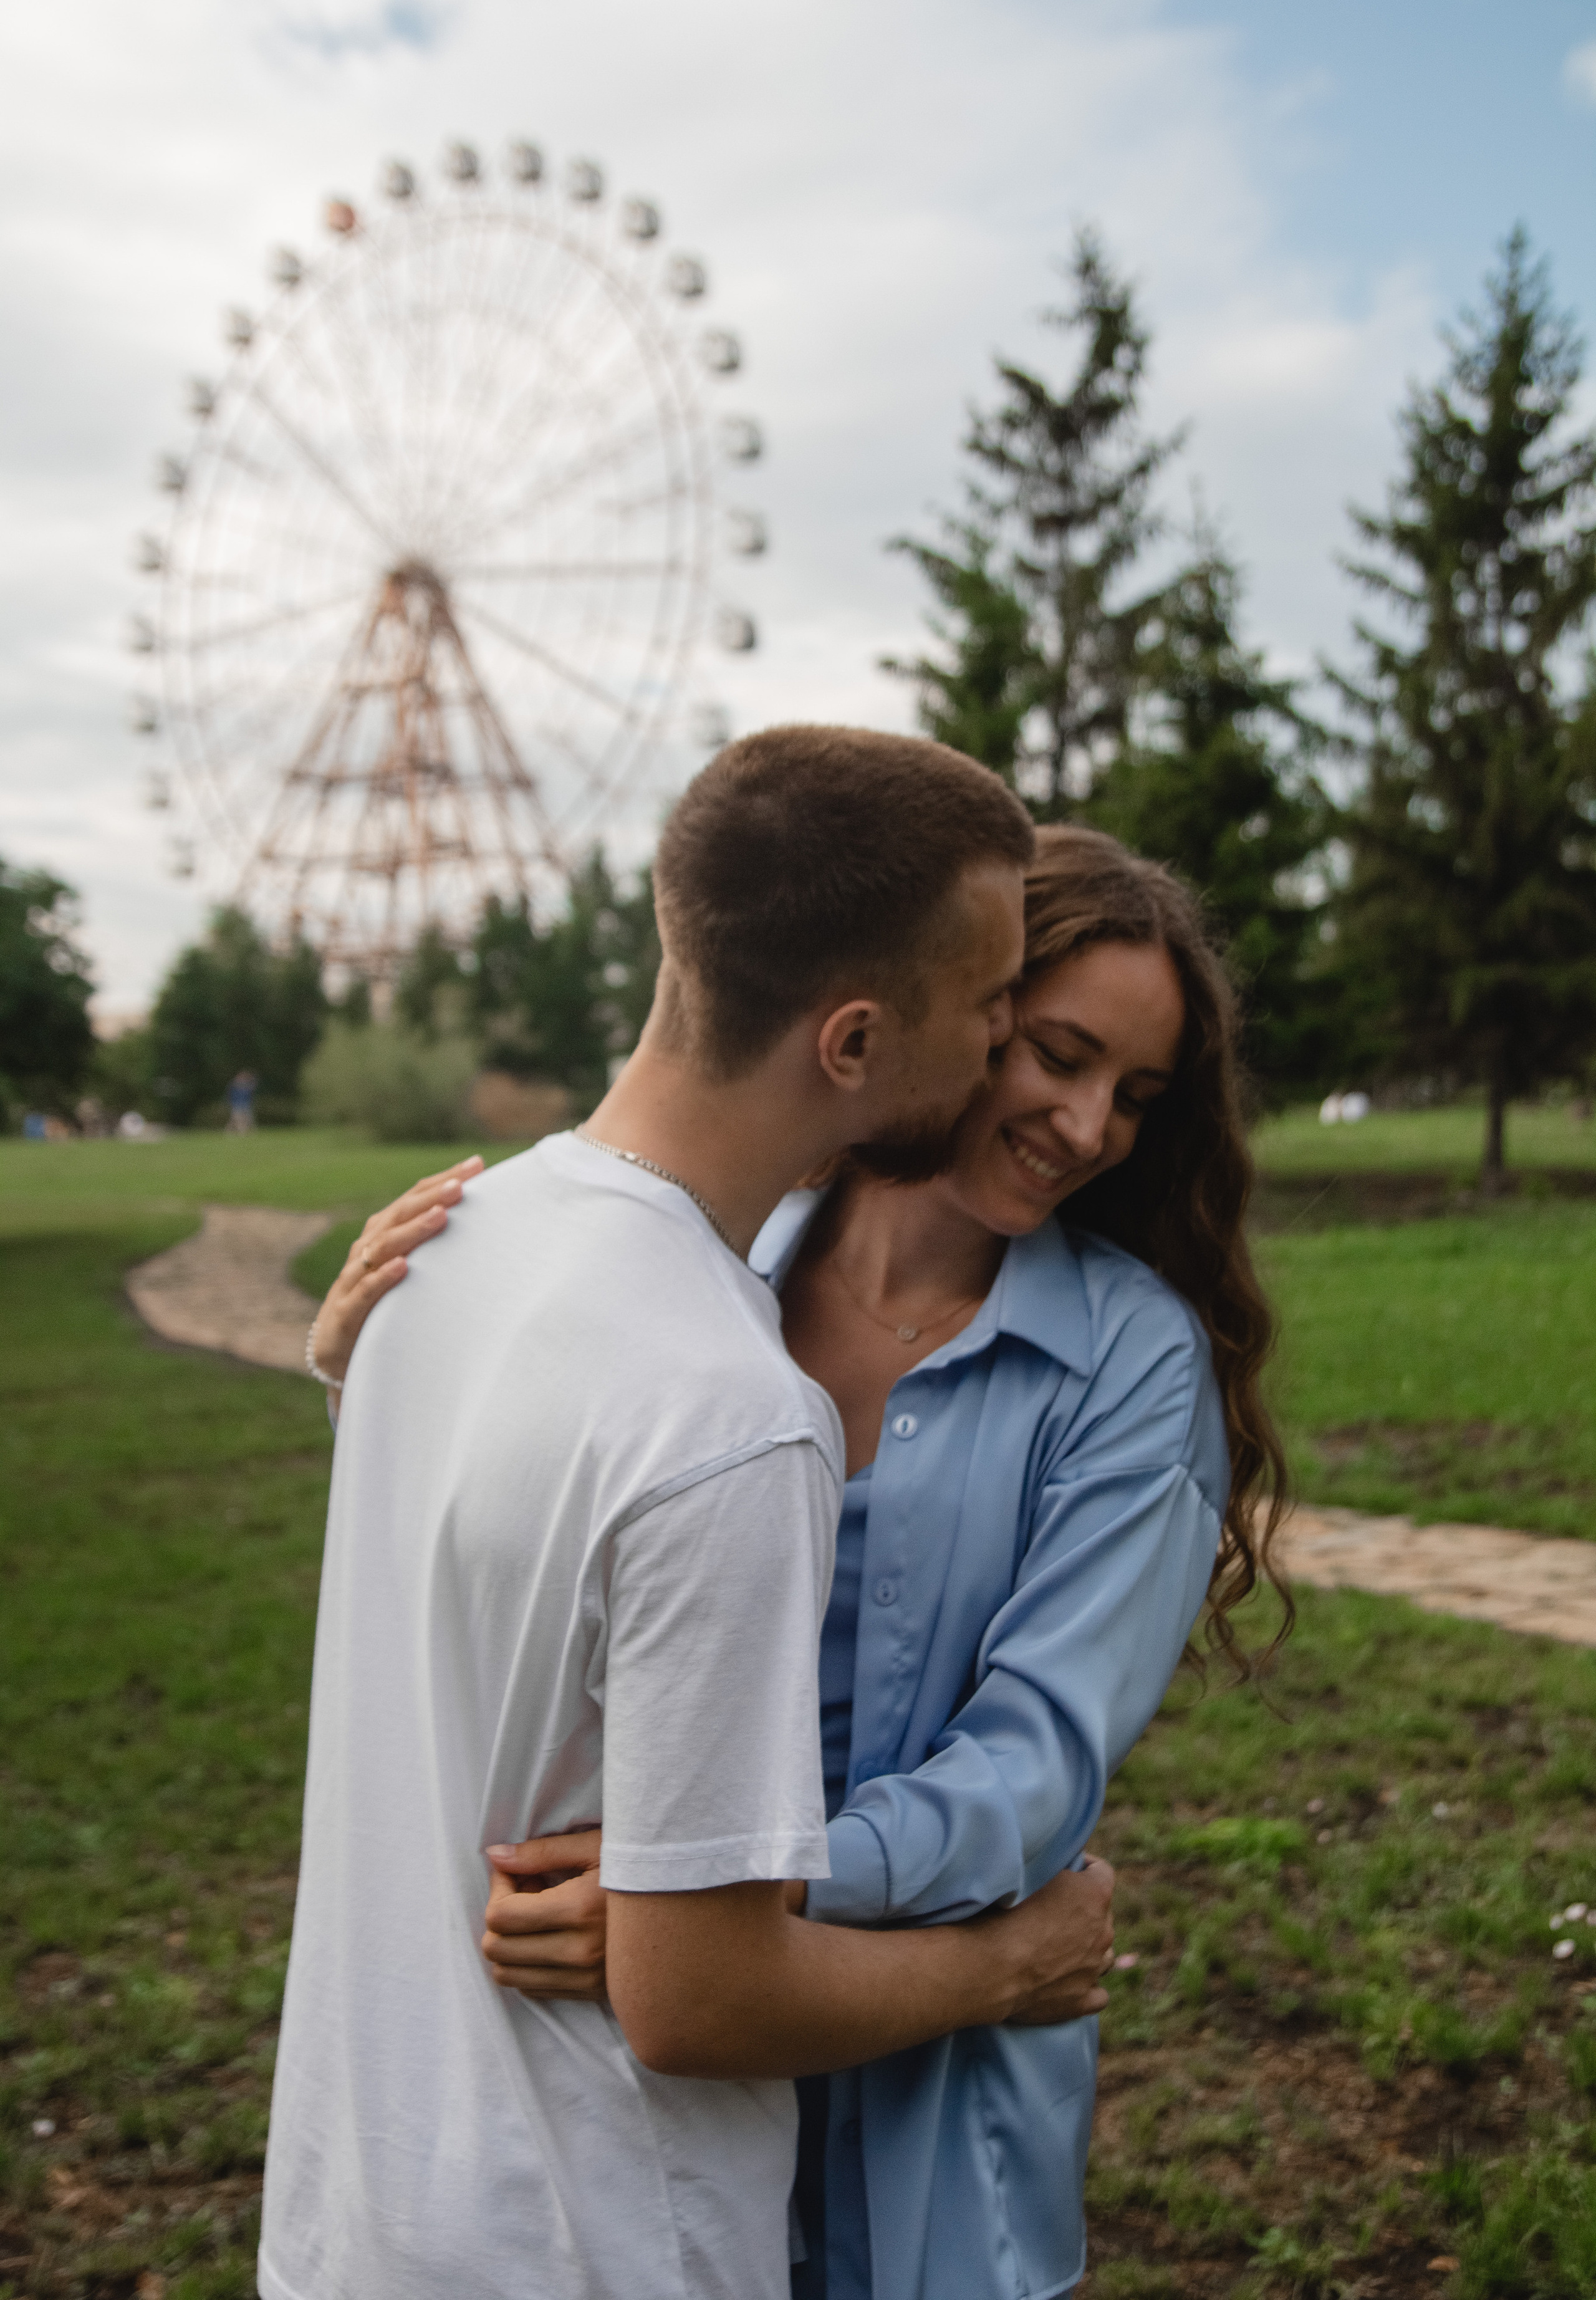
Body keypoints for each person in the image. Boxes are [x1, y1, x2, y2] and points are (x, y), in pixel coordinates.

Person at [314, 822, 1289, 2300]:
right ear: (954, 1009)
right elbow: (538, 1539)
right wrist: (372, 1376)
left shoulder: (1128, 1363)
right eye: (1055, 1053)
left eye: (1136, 1097)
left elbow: (1032, 1765)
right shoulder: (706, 1271)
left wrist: (724, 1904)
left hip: (921, 2106)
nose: (1090, 1125)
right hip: (630, 2078)